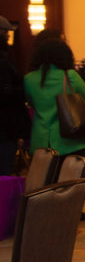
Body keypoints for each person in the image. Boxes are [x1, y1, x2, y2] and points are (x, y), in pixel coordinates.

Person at [24, 39, 85, 161]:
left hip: (41, 140)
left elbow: (32, 104)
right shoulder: (70, 76)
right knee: (73, 178)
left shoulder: (29, 79)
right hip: (69, 140)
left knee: (47, 178)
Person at [0, 17, 30, 175]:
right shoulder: (3, 60)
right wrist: (23, 89)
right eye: (5, 34)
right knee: (4, 172)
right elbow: (6, 92)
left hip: (5, 126)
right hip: (5, 127)